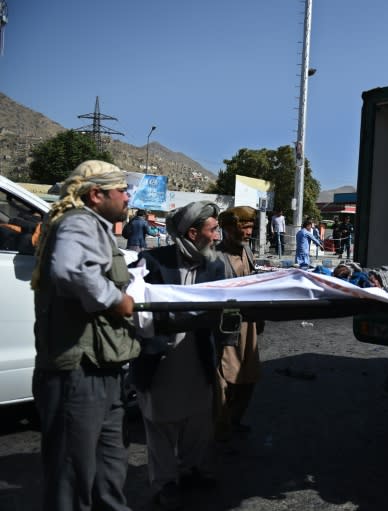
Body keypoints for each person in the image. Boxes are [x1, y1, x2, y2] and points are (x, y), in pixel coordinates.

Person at [31, 160, 139, 511]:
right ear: (96, 194)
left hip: (102, 368)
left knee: (109, 475)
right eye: (121, 190)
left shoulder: (93, 224)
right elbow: (70, 270)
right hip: (77, 372)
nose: (127, 197)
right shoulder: (80, 221)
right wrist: (114, 300)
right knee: (71, 478)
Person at [129, 201, 226, 510]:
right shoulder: (154, 262)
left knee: (198, 417)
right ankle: (165, 481)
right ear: (193, 232)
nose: (217, 236)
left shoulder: (215, 265)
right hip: (161, 356)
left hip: (197, 353)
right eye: (212, 230)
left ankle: (191, 469)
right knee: (160, 422)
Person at [214, 206, 264, 441]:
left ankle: (236, 420)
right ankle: (220, 426)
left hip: (249, 324)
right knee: (226, 376)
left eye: (250, 227)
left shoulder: (247, 251)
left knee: (249, 375)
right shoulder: (215, 255)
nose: (248, 232)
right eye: (244, 227)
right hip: (226, 325)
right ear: (228, 229)